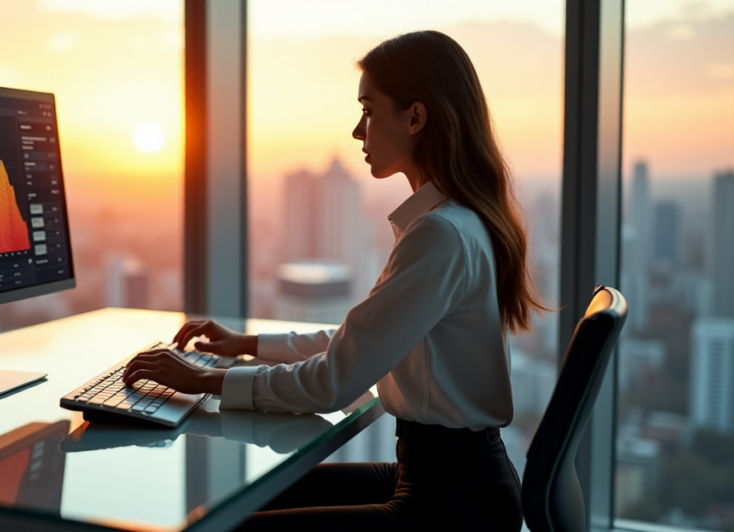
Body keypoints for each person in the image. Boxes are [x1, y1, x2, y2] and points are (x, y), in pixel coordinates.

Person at [123, 30, 548, 531]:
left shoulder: (439, 235)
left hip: (452, 505)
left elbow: (333, 381)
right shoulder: (455, 221)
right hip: (448, 478)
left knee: (230, 522)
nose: (357, 130)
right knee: (243, 502)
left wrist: (202, 379)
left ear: (415, 117)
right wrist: (247, 344)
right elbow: (358, 344)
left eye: (369, 110)